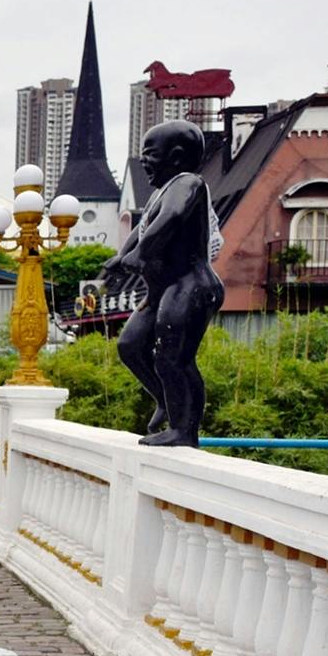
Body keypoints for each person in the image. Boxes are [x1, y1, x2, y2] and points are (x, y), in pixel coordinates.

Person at [101, 119, 224, 447]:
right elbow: (143, 228)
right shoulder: (159, 192)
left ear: (178, 156)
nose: (145, 164)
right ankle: (166, 399)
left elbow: (170, 218)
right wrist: (121, 257)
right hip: (162, 289)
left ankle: (184, 430)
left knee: (174, 357)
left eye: (150, 156)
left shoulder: (188, 183)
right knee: (130, 346)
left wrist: (141, 253)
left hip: (191, 286)